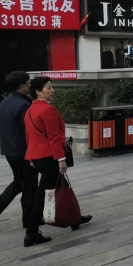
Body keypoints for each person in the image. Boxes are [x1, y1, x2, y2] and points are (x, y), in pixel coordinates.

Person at [24, 77, 92, 247]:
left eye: (52, 87)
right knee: (43, 195)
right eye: (48, 87)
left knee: (62, 185)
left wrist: (31, 158)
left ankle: (75, 219)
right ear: (38, 92)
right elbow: (54, 137)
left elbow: (30, 137)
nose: (52, 90)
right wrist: (61, 159)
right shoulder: (48, 110)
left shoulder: (30, 110)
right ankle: (31, 233)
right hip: (50, 158)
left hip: (38, 157)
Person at [0, 71, 35, 231]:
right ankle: (29, 220)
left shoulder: (4, 103)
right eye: (29, 83)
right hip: (23, 152)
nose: (30, 85)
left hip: (9, 151)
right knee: (29, 185)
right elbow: (28, 131)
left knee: (19, 182)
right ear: (22, 86)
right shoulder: (24, 105)